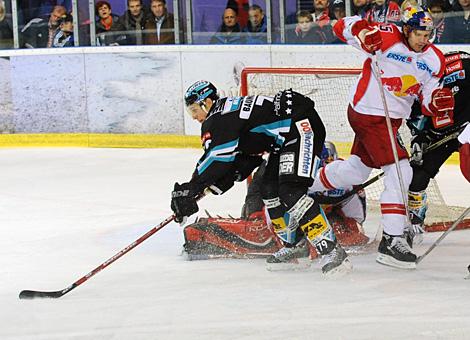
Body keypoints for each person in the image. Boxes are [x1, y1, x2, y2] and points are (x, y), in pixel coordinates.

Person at [313, 6, 453, 269]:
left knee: (356, 171)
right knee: (401, 171)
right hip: (368, 113)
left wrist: (437, 102)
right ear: (407, 30)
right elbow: (341, 25)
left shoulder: (435, 59)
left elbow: (427, 100)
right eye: (420, 34)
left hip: (390, 120)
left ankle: (306, 188)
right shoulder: (387, 36)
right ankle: (391, 239)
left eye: (428, 34)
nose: (425, 39)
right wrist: (364, 32)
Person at [170, 80, 352, 274]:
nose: (194, 116)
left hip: (300, 127)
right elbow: (239, 160)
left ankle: (333, 251)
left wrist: (190, 189)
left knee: (291, 191)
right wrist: (204, 187)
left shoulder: (218, 118)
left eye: (194, 109)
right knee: (269, 190)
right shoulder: (225, 112)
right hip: (284, 138)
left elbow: (217, 158)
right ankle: (295, 247)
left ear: (206, 102)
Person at [406, 51, 470, 242]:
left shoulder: (464, 67)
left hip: (467, 128)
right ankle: (414, 222)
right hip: (439, 134)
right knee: (417, 174)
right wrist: (419, 139)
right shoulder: (412, 82)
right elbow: (414, 118)